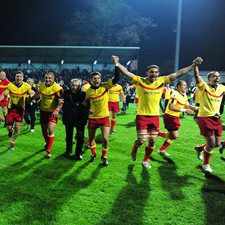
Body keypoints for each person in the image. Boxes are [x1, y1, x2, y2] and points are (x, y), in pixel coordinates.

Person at [112, 55, 202, 168]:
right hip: (142, 116)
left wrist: (193, 65)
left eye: (155, 72)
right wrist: (117, 63)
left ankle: (145, 160)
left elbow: (179, 73)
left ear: (158, 73)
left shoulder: (162, 80)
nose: (153, 74)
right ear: (147, 73)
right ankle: (135, 148)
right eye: (151, 72)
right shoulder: (139, 80)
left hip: (155, 117)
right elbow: (126, 72)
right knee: (141, 140)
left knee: (152, 142)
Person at [85, 65, 120, 166]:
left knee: (105, 139)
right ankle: (93, 154)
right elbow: (85, 103)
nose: (96, 80)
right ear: (91, 80)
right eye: (94, 78)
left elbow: (117, 78)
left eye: (98, 78)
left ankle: (104, 157)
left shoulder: (105, 86)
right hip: (92, 118)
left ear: (101, 79)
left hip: (104, 117)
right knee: (91, 139)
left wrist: (116, 65)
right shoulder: (88, 91)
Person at [194, 65, 225, 173]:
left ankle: (200, 148)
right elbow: (197, 76)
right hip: (204, 117)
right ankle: (205, 165)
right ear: (209, 78)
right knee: (211, 143)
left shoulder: (222, 88)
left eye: (218, 76)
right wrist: (195, 66)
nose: (217, 78)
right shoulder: (204, 87)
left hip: (216, 118)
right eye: (214, 76)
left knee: (217, 144)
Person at [158, 80, 197, 156]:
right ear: (178, 87)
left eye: (186, 85)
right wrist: (184, 110)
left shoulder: (184, 94)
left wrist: (195, 108)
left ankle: (162, 149)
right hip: (169, 116)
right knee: (174, 136)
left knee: (172, 136)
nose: (186, 87)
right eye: (184, 85)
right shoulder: (175, 94)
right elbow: (171, 106)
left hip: (175, 117)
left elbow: (186, 105)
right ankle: (158, 134)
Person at [4, 71, 34, 150]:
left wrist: (31, 95)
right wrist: (6, 94)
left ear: (23, 78)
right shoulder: (10, 85)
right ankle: (10, 131)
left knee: (17, 128)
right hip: (11, 109)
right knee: (9, 126)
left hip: (20, 109)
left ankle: (12, 141)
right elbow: (5, 93)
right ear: (15, 77)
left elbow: (31, 93)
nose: (18, 78)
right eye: (17, 76)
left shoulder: (27, 86)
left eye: (20, 77)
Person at [62, 79, 89, 160]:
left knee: (80, 137)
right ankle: (68, 151)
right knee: (68, 136)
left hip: (80, 119)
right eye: (73, 85)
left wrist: (85, 117)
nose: (74, 87)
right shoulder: (66, 93)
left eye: (76, 85)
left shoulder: (83, 94)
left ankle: (78, 153)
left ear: (79, 86)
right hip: (68, 117)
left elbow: (87, 106)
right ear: (70, 85)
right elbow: (63, 104)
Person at [39, 71, 63, 158]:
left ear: (53, 79)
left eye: (49, 78)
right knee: (44, 131)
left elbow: (61, 101)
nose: (47, 79)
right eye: (46, 78)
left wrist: (57, 110)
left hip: (52, 112)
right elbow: (39, 95)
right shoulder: (41, 86)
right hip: (43, 111)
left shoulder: (57, 88)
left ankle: (48, 151)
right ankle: (47, 143)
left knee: (50, 130)